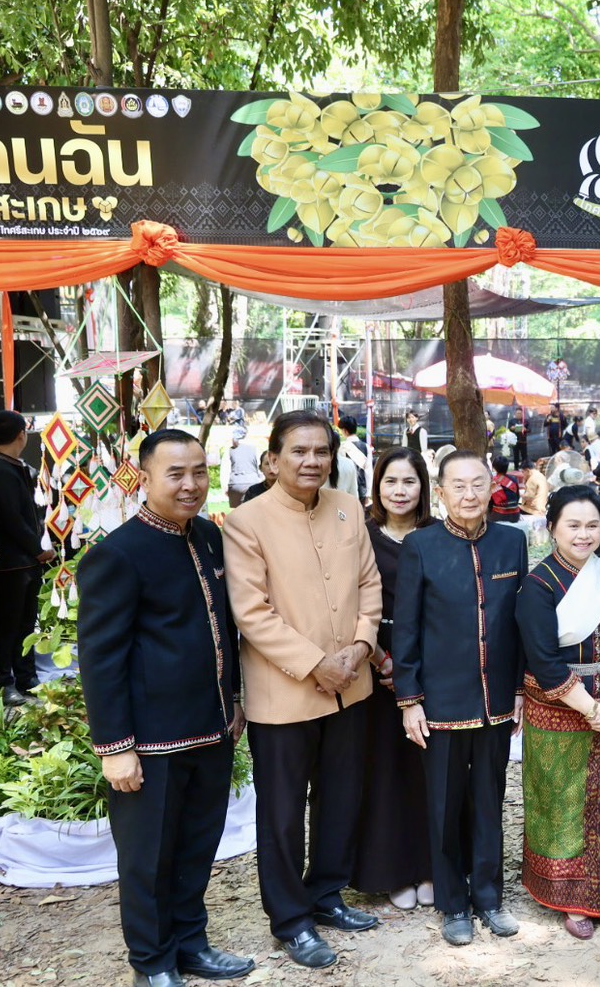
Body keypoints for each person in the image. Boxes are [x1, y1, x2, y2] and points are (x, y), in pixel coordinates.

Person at [79, 430, 254, 987]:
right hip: (149, 742)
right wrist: (115, 748)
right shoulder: (118, 554)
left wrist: (234, 701)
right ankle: (152, 961)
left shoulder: (208, 536)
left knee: (198, 845)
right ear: (145, 477)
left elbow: (224, 629)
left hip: (212, 727)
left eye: (200, 472)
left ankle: (191, 943)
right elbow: (101, 659)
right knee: (148, 858)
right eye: (175, 474)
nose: (190, 485)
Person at [223, 411, 384, 970]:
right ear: (273, 459)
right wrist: (316, 664)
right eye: (299, 452)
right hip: (284, 695)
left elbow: (369, 584)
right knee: (284, 813)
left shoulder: (347, 509)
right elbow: (252, 613)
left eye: (321, 452)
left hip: (352, 686)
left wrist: (361, 648)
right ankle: (291, 919)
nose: (312, 461)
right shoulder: (246, 522)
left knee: (341, 797)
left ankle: (327, 893)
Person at [392, 450, 528, 947]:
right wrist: (410, 699)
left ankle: (489, 896)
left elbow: (517, 624)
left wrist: (518, 690)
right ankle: (453, 902)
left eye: (478, 485)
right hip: (441, 703)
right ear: (442, 491)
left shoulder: (512, 543)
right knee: (445, 806)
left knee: (491, 801)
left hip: (496, 701)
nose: (469, 495)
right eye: (458, 486)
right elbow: (404, 630)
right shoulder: (421, 546)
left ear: (491, 486)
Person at [516, 485, 600, 938]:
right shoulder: (538, 586)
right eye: (573, 525)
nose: (584, 534)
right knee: (564, 805)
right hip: (561, 707)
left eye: (593, 525)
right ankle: (569, 900)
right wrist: (595, 711)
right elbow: (545, 662)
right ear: (551, 528)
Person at [352, 447, 435, 912]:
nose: (399, 491)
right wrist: (385, 663)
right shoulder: (362, 538)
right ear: (377, 487)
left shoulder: (437, 536)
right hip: (377, 671)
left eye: (409, 481)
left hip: (432, 675)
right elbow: (351, 606)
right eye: (390, 482)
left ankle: (430, 866)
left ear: (423, 487)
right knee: (385, 774)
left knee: (429, 774)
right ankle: (392, 871)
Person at [0, 411, 54, 706]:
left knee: (25, 623)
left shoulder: (12, 466)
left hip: (25, 559)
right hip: (12, 561)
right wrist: (38, 549)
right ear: (22, 434)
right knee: (9, 624)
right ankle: (6, 680)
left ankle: (26, 676)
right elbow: (12, 519)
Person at [226, 427, 264, 508]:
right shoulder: (254, 447)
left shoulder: (230, 449)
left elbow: (225, 470)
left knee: (237, 513)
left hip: (235, 485)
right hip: (252, 483)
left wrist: (225, 487)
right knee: (254, 511)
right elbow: (261, 467)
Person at [336, 416, 369, 501]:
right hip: (362, 489)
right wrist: (368, 493)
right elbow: (369, 471)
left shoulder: (342, 447)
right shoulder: (366, 447)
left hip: (346, 489)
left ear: (345, 431)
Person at [489, 456, 521, 521]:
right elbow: (518, 497)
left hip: (499, 515)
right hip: (515, 515)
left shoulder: (493, 482)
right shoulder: (514, 479)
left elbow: (490, 501)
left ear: (494, 468)